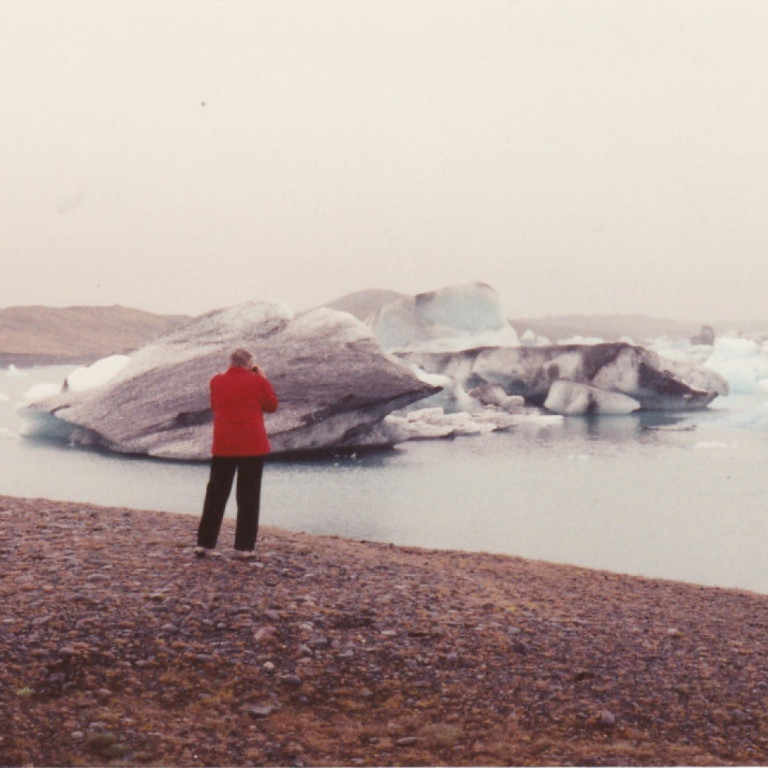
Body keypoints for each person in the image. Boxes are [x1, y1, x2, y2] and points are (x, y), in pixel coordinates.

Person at [195, 347, 278, 559]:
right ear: (250, 364)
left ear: (230, 362)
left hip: (224, 444)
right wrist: (262, 378)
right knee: (248, 495)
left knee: (216, 494)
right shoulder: (258, 381)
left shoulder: (216, 381)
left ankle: (204, 544)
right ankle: (244, 548)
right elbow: (271, 406)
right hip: (252, 445)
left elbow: (215, 405)